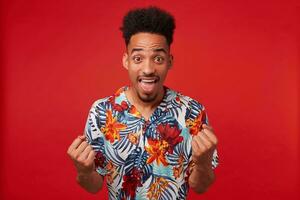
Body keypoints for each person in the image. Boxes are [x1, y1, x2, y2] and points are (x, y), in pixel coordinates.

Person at [67, 6, 219, 200]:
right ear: (126, 60)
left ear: (169, 61)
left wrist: (204, 163)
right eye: (138, 58)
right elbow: (94, 186)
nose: (148, 69)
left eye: (158, 58)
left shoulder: (192, 111)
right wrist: (84, 171)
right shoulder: (102, 112)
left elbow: (200, 187)